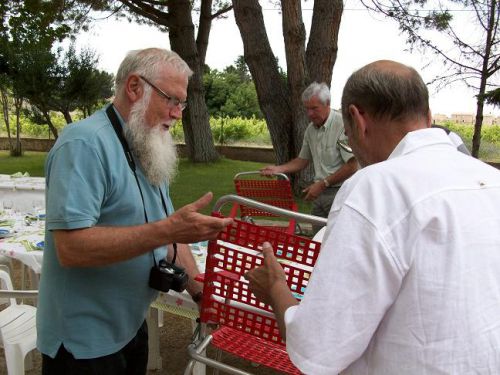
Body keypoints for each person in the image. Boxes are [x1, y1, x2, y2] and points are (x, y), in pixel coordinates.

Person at [246, 60, 500, 374]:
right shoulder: (491, 179)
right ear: (428, 115)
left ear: (356, 119)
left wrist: (275, 287)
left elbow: (318, 347)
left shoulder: (376, 188)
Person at [37, 48, 233, 375]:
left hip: (129, 326)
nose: (177, 113)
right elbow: (70, 248)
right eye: (171, 99)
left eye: (182, 104)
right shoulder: (83, 144)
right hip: (83, 343)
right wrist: (168, 230)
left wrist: (200, 292)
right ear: (134, 88)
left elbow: (171, 234)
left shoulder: (145, 144)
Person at [260, 82, 358, 232]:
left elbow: (352, 165)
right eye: (307, 109)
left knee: (338, 240)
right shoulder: (311, 130)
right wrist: (278, 169)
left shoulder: (342, 125)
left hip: (342, 194)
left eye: (314, 108)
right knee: (317, 241)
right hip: (320, 193)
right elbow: (302, 160)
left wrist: (323, 183)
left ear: (328, 104)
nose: (309, 114)